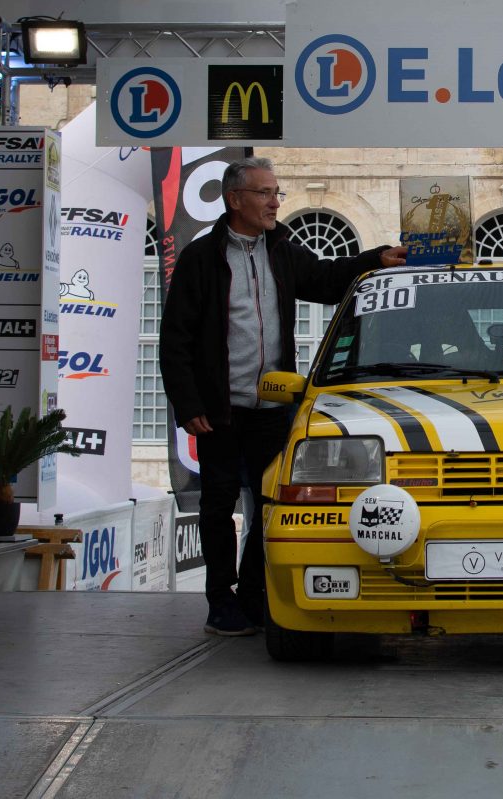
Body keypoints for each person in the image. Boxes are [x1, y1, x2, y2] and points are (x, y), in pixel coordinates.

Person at [159, 157, 407, 636]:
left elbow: (326, 280)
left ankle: (252, 595)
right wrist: (188, 406)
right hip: (218, 412)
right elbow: (176, 340)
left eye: (277, 193)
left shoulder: (281, 250)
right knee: (217, 505)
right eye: (265, 193)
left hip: (273, 408)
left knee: (271, 504)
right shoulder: (202, 257)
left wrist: (375, 259)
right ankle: (218, 599)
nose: (275, 202)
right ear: (235, 199)